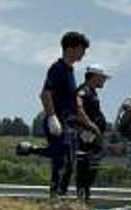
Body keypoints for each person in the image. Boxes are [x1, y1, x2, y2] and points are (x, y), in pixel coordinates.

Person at [40, 31, 96, 197]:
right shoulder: (58, 69)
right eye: (81, 49)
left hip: (69, 123)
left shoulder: (70, 71)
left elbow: (73, 105)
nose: (83, 53)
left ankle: (60, 195)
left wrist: (85, 127)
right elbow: (45, 93)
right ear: (71, 49)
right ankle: (55, 196)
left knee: (69, 163)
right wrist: (52, 117)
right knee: (61, 162)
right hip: (58, 121)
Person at [73, 64, 110, 201]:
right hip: (86, 136)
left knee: (92, 165)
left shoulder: (92, 92)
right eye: (102, 78)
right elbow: (78, 108)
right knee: (85, 165)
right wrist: (90, 125)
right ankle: (82, 194)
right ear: (94, 77)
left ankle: (86, 193)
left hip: (93, 136)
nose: (104, 81)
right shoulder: (83, 91)